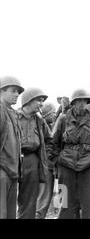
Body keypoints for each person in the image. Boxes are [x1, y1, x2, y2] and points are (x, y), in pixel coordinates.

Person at [51, 88, 90, 219]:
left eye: (85, 100)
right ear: (73, 102)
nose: (82, 103)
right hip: (66, 164)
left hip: (88, 164)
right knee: (65, 200)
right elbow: (54, 141)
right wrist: (57, 161)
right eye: (79, 100)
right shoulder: (63, 119)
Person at [17, 87, 52, 219]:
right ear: (28, 100)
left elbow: (50, 140)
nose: (42, 104)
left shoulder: (40, 121)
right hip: (13, 160)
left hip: (32, 160)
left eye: (42, 101)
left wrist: (45, 156)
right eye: (39, 100)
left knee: (29, 200)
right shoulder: (13, 117)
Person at [0, 75, 24, 219]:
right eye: (13, 90)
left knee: (10, 214)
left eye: (18, 92)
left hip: (12, 171)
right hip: (2, 171)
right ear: (1, 91)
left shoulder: (13, 113)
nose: (17, 95)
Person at [35, 102, 57, 219]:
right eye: (52, 112)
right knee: (44, 195)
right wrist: (47, 156)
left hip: (47, 164)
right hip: (45, 165)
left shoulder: (49, 125)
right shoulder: (43, 124)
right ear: (47, 113)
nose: (54, 114)